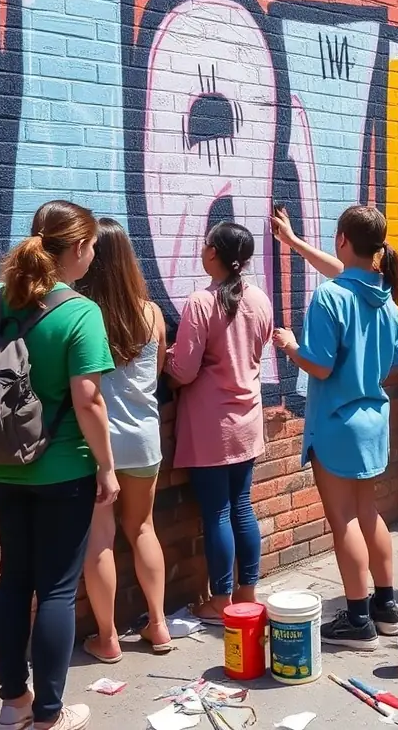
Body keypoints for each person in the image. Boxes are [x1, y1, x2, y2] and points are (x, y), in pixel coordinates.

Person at [0, 201, 118, 730]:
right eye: (92, 246)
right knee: (54, 589)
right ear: (76, 248)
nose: (93, 256)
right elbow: (89, 400)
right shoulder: (81, 313)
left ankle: (13, 707)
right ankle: (50, 716)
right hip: (63, 469)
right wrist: (107, 467)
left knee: (13, 578)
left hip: (2, 466)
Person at [272, 205, 398, 651]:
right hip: (372, 422)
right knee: (368, 513)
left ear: (344, 239)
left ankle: (357, 618)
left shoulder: (330, 298)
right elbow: (392, 363)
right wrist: (293, 243)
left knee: (342, 519)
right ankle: (386, 608)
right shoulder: (385, 297)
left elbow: (320, 367)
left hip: (336, 424)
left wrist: (292, 347)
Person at [166, 222, 272, 626]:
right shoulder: (259, 298)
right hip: (247, 417)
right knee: (241, 506)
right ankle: (248, 594)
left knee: (217, 513)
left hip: (211, 424)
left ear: (214, 253)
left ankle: (221, 600)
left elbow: (185, 369)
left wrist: (166, 362)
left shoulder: (202, 302)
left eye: (205, 242)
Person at [77, 219, 171, 662]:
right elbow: (154, 376)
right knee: (143, 528)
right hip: (144, 438)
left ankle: (108, 637)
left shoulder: (81, 314)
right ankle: (158, 625)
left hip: (99, 446)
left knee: (101, 537)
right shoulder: (150, 313)